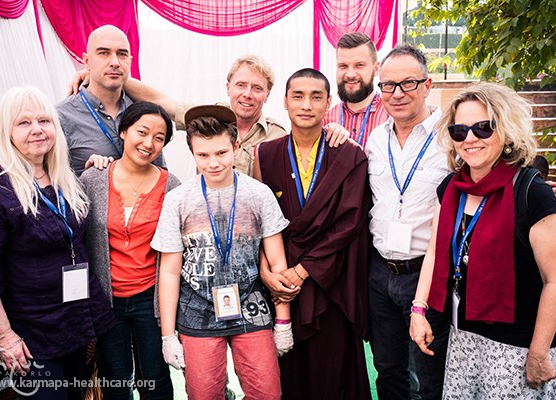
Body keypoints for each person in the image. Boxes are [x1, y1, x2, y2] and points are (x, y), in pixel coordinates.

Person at [410, 82, 556, 398]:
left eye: (483, 128)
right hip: (462, 341)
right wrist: (419, 309)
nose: (469, 138)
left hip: (517, 349)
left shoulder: (533, 193)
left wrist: (538, 352)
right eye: (460, 130)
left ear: (507, 131)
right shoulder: (450, 188)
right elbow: (434, 252)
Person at [0, 86, 115, 399]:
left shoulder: (67, 180)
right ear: (6, 132)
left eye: (44, 121)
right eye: (23, 123)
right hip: (31, 336)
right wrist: (5, 337)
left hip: (76, 324)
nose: (36, 129)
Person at [151, 105, 294, 399]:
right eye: (203, 155)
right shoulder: (178, 200)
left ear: (236, 146)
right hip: (197, 311)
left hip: (251, 305)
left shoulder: (258, 194)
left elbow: (278, 261)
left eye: (221, 153)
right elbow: (169, 270)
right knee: (204, 394)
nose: (213, 163)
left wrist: (283, 322)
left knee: (267, 393)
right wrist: (168, 336)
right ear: (192, 152)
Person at [254, 68, 372, 399]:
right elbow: (260, 222)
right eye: (298, 96)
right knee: (289, 371)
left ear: (328, 104)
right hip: (281, 281)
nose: (306, 105)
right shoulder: (266, 154)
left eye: (316, 97)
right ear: (285, 102)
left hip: (330, 279)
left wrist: (303, 271)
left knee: (333, 371)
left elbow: (350, 223)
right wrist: (268, 271)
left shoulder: (350, 155)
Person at [70, 54, 348, 176]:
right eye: (240, 85)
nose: (247, 94)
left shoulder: (279, 134)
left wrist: (336, 130)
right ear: (228, 87)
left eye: (256, 88)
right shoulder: (204, 118)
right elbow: (158, 100)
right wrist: (100, 78)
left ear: (269, 93)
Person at [365, 44, 450, 400]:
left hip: (426, 275)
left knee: (430, 377)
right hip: (381, 274)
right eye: (388, 85)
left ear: (428, 85)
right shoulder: (374, 139)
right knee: (388, 372)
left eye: (408, 84)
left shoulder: (451, 136)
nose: (397, 94)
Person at [80, 101, 180, 399]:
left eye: (159, 138)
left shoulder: (170, 185)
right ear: (124, 131)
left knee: (155, 375)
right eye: (142, 132)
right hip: (107, 301)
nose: (149, 143)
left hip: (151, 299)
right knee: (116, 376)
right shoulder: (93, 178)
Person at [57, 25, 165, 175]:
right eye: (104, 53)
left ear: (130, 61)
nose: (115, 62)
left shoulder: (144, 112)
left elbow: (161, 176)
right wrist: (89, 178)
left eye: (122, 54)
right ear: (87, 61)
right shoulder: (61, 117)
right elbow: (53, 183)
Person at [324, 32, 389, 148]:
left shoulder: (391, 116)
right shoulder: (326, 119)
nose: (350, 74)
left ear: (376, 69)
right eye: (343, 66)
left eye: (359, 65)